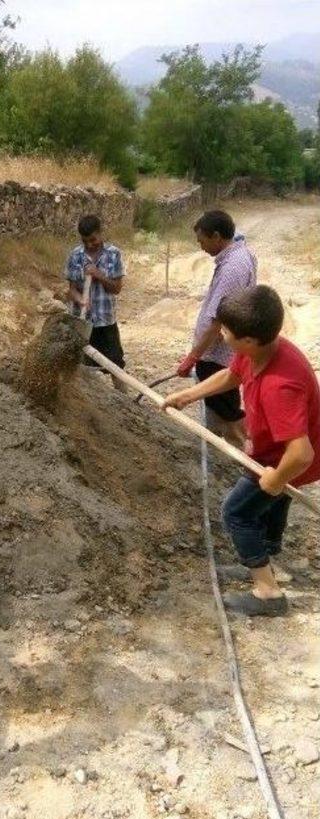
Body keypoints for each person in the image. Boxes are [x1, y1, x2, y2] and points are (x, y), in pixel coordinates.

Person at [164, 286, 320, 617]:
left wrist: (276, 478)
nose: (220, 333)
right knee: (272, 502)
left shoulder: (281, 385)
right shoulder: (259, 352)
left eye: (226, 330)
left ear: (248, 339)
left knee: (237, 512)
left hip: (286, 460)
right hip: (275, 453)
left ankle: (268, 592)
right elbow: (232, 375)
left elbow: (301, 453)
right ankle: (265, 557)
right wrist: (188, 396)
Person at [176, 210, 257, 447]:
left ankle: (238, 449)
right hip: (218, 351)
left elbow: (217, 321)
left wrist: (193, 357)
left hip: (219, 354)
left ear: (218, 236)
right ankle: (212, 446)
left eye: (202, 240)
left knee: (224, 404)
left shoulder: (233, 268)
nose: (200, 246)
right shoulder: (239, 251)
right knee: (214, 401)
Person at [65, 214, 126, 382]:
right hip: (82, 324)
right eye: (85, 241)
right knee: (79, 366)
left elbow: (116, 288)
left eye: (93, 240)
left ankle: (125, 404)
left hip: (106, 322)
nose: (90, 245)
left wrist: (98, 275)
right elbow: (71, 291)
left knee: (116, 367)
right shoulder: (75, 256)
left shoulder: (113, 254)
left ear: (100, 233)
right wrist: (79, 299)